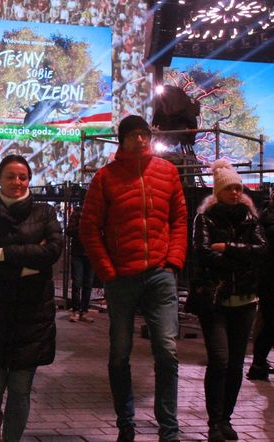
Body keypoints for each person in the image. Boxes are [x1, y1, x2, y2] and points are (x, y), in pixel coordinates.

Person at [80, 115, 187, 442]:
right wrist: (108, 272)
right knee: (119, 352)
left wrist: (173, 262)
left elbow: (180, 219)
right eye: (133, 135)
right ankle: (125, 422)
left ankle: (169, 430)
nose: (140, 140)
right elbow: (88, 228)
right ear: (122, 141)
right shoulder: (106, 177)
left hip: (160, 274)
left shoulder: (167, 172)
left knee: (167, 351)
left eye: (144, 134)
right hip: (121, 278)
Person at [0, 154, 62, 442]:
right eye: (10, 176)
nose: (17, 182)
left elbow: (54, 252)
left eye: (23, 176)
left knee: (20, 391)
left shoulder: (45, 213)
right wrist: (24, 269)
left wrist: (3, 253)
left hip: (33, 319)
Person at [190, 159, 266, 442]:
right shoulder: (205, 218)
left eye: (238, 188)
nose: (235, 192)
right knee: (220, 360)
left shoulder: (250, 217)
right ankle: (214, 421)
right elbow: (203, 253)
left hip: (245, 301)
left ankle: (226, 420)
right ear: (218, 191)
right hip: (215, 300)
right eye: (229, 188)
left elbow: (261, 250)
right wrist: (240, 257)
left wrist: (228, 248)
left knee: (235, 364)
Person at [247, 189, 274, 381]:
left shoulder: (264, 217)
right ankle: (258, 364)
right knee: (270, 323)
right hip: (269, 279)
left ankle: (259, 364)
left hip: (268, 278)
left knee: (269, 323)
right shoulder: (265, 220)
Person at [66, 203, 95, 323]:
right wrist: (83, 226)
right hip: (78, 253)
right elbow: (69, 231)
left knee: (88, 284)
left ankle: (84, 310)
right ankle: (76, 310)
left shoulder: (96, 212)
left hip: (91, 252)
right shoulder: (77, 213)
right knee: (77, 283)